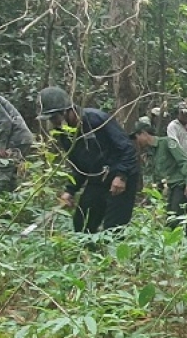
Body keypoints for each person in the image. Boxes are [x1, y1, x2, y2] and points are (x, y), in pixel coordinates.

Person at [37, 86, 142, 233]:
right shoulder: (65, 135)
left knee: (114, 227)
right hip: (97, 178)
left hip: (121, 175)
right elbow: (79, 167)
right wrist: (70, 191)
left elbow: (128, 149)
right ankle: (87, 253)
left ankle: (114, 253)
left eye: (55, 117)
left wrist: (121, 176)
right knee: (82, 222)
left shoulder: (97, 119)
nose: (54, 122)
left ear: (67, 111)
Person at [131, 118, 187, 232]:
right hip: (169, 187)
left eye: (137, 138)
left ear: (144, 134)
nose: (137, 142)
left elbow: (185, 162)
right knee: (170, 218)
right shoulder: (151, 152)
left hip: (180, 184)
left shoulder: (167, 142)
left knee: (176, 217)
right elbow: (158, 174)